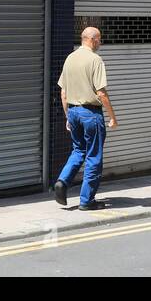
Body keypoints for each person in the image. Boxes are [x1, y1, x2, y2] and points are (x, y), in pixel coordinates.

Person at [54, 27, 119, 210]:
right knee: (93, 156)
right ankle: (86, 201)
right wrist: (113, 117)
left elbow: (63, 92)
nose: (101, 43)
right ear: (92, 40)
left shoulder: (70, 58)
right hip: (90, 114)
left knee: (78, 151)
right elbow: (101, 93)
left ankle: (62, 181)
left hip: (74, 111)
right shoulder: (95, 60)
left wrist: (68, 116)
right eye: (99, 39)